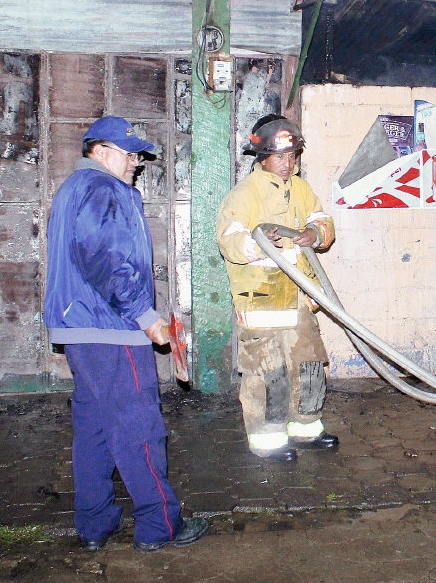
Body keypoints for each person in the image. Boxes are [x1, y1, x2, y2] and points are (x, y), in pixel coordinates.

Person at [44, 116, 208, 553]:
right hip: (111, 330)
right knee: (139, 427)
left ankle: (95, 524)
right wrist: (145, 317)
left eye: (138, 154)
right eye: (129, 153)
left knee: (95, 428)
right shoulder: (102, 190)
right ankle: (161, 527)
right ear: (99, 150)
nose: (136, 162)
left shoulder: (75, 190)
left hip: (83, 329)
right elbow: (106, 260)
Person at [217, 114, 338, 462]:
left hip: (299, 297)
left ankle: (306, 428)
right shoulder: (244, 195)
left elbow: (321, 220)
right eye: (280, 157)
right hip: (262, 301)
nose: (288, 164)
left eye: (293, 156)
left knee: (309, 364)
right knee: (268, 373)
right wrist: (259, 243)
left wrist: (315, 235)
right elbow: (229, 241)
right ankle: (268, 441)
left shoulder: (300, 189)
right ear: (262, 158)